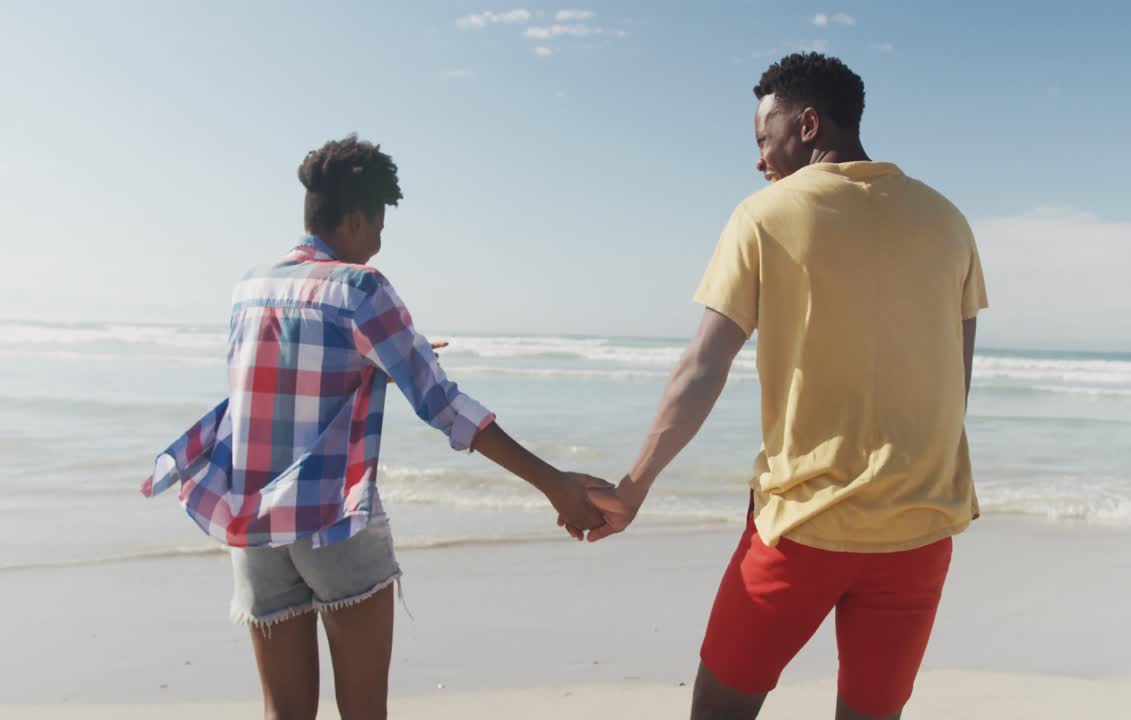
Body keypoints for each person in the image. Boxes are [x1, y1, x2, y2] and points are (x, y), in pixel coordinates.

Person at [142, 135, 607, 720]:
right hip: (334, 523)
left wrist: (391, 355)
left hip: (254, 525)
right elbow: (441, 403)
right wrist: (553, 481)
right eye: (379, 226)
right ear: (357, 218)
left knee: (283, 715)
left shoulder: (249, 286)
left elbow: (279, 383)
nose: (380, 243)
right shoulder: (361, 287)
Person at [586, 53, 989, 720]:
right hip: (919, 535)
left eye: (762, 138)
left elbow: (701, 368)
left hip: (802, 531)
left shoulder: (765, 215)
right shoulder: (948, 221)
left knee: (717, 712)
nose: (758, 159)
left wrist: (634, 487)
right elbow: (958, 375)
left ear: (807, 124)